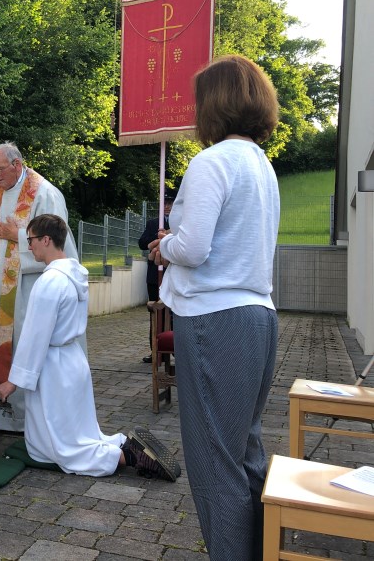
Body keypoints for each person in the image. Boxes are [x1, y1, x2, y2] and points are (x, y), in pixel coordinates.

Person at [148, 54, 280, 561]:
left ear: (215, 104)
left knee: (214, 462)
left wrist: (165, 246)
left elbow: (195, 249)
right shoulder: (261, 167)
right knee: (245, 452)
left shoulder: (213, 162)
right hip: (258, 316)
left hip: (215, 321)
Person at [0, 214, 181, 480]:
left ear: (46, 240)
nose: (29, 245)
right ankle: (121, 443)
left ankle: (127, 456)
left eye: (31, 240)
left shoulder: (48, 282)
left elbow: (34, 338)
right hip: (73, 361)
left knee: (63, 446)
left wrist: (12, 382)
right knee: (76, 431)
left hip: (53, 369)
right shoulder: (74, 274)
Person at [0, 142, 78, 431]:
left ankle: (25, 420)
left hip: (30, 288)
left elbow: (55, 241)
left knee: (25, 344)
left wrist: (17, 235)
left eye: (0, 170)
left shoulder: (44, 193)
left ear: (17, 164)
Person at [138, 193, 174, 363]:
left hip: (172, 274)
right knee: (155, 312)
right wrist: (158, 236)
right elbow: (142, 242)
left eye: (170, 203)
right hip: (155, 276)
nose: (167, 206)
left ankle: (174, 349)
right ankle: (156, 351)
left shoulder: (180, 223)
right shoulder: (153, 223)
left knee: (173, 314)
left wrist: (169, 233)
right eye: (164, 203)